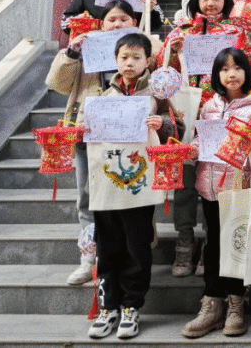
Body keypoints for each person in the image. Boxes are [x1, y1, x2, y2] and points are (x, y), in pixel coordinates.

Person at [87, 32, 178, 341]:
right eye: (124, 57)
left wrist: (162, 124)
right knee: (107, 246)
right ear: (115, 60)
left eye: (136, 57)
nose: (129, 63)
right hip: (106, 184)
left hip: (139, 184)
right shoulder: (101, 95)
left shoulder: (157, 94)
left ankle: (131, 306)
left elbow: (176, 126)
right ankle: (107, 307)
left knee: (137, 247)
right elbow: (84, 132)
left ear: (148, 61)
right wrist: (82, 129)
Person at [45, 0, 141, 286]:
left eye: (124, 19)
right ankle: (88, 256)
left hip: (128, 132)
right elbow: (57, 84)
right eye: (111, 19)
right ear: (101, 24)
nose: (117, 24)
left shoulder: (144, 49)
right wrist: (71, 53)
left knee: (129, 192)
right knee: (86, 195)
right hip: (87, 130)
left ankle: (129, 255)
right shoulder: (85, 48)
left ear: (134, 23)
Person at [181, 47, 251, 339]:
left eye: (237, 68)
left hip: (238, 184)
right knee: (213, 245)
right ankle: (212, 303)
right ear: (216, 75)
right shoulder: (209, 106)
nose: (231, 74)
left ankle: (236, 303)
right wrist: (192, 150)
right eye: (224, 69)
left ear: (247, 72)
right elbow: (201, 138)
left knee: (235, 245)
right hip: (209, 184)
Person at [157, 0, 241, 278]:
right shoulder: (181, 31)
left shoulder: (235, 32)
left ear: (226, 0)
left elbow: (246, 71)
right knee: (185, 181)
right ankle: (185, 240)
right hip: (185, 117)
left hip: (220, 117)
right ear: (195, 0)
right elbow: (161, 75)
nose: (211, 3)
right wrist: (172, 52)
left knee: (215, 181)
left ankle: (210, 243)